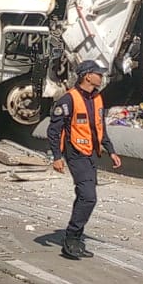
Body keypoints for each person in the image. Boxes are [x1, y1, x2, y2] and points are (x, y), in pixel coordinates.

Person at [47, 59, 122, 260]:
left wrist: (111, 151)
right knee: (88, 197)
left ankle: (75, 240)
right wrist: (56, 156)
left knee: (85, 197)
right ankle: (71, 238)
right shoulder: (68, 100)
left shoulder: (97, 99)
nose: (101, 76)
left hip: (90, 154)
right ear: (87, 75)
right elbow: (54, 130)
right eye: (98, 73)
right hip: (75, 153)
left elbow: (99, 128)